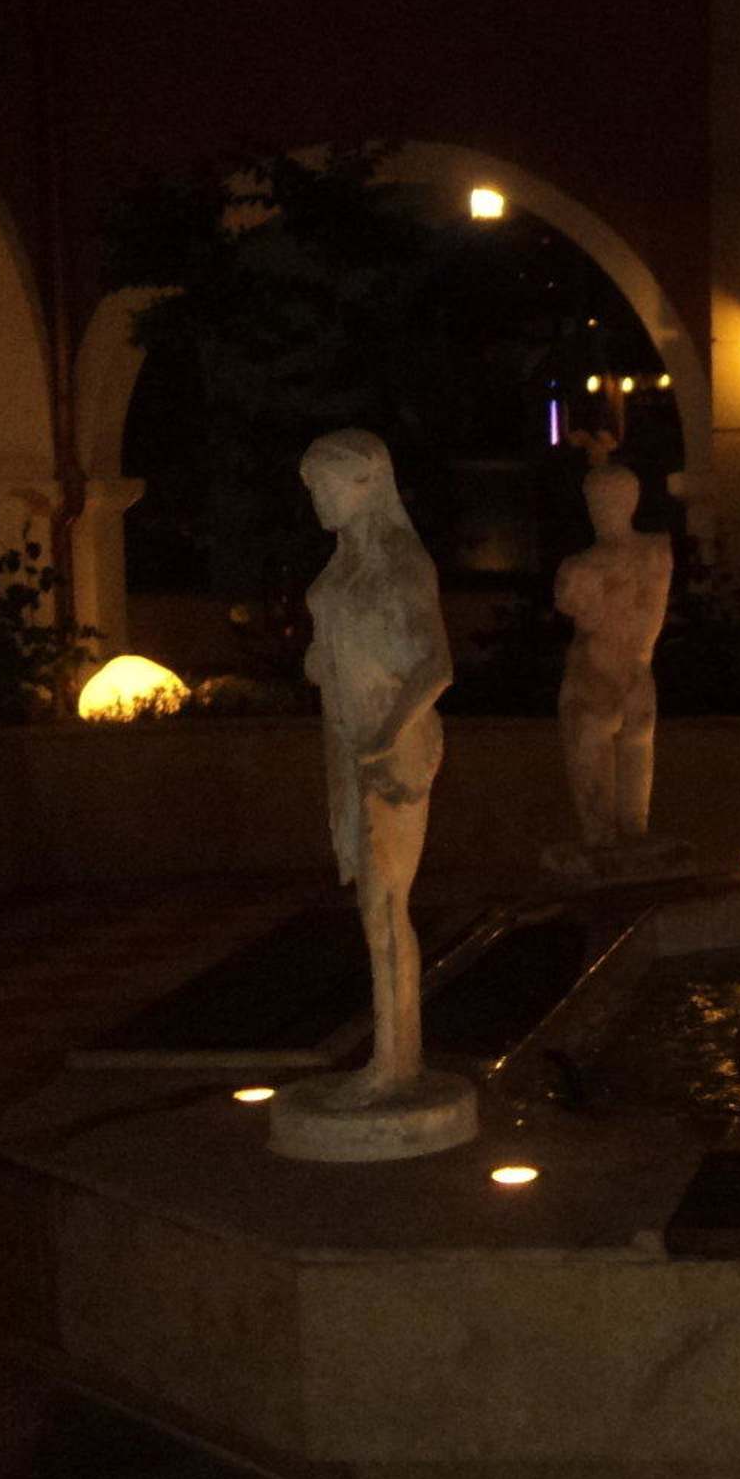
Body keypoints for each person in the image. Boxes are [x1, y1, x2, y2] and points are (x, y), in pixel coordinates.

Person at [298, 429, 452, 1105]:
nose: (319, 501)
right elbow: (332, 650)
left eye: (328, 487)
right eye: (312, 489)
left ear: (367, 486)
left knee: (384, 905)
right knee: (374, 901)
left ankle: (395, 1059)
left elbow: (435, 664)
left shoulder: (401, 564)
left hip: (390, 748)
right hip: (349, 739)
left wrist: (388, 737)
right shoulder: (345, 565)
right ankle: (393, 1053)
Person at [554, 462, 672, 850]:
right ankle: (613, 836)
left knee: (622, 758)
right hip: (617, 673)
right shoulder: (648, 555)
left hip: (611, 672)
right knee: (607, 759)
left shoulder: (593, 565)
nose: (601, 508)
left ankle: (615, 837)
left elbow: (578, 609)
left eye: (607, 500)